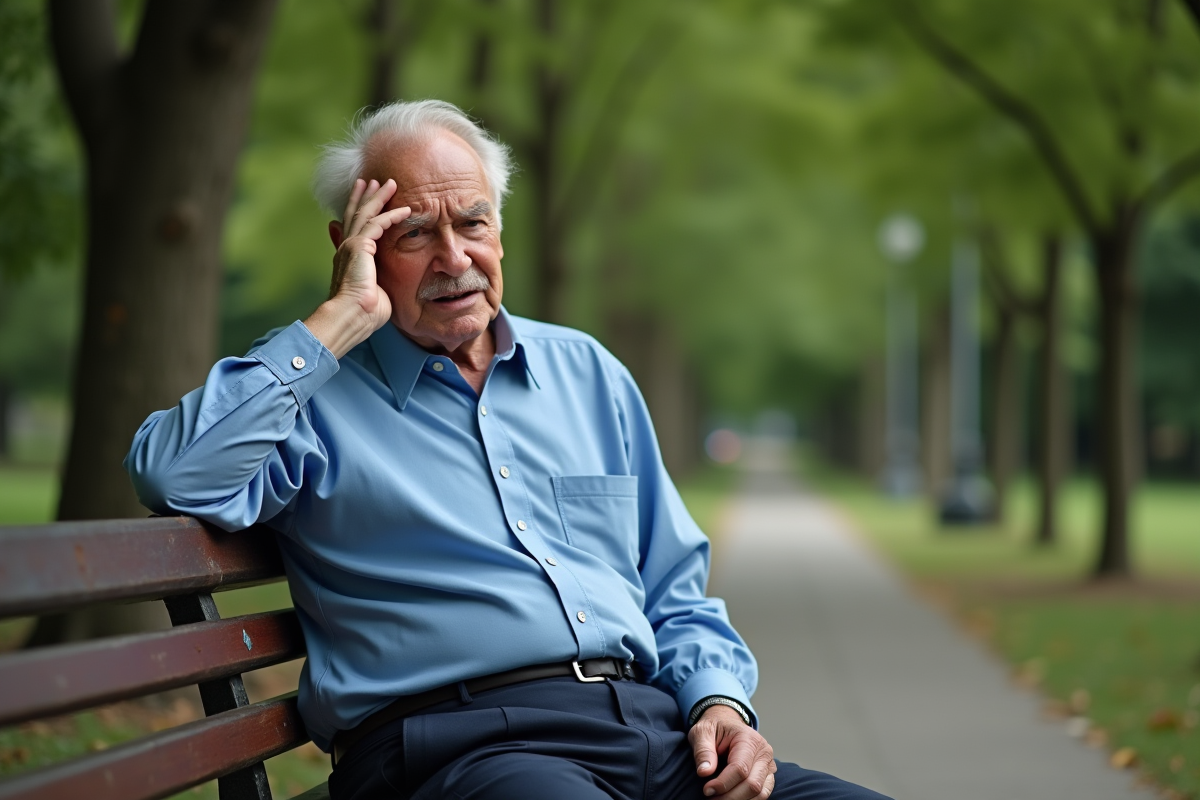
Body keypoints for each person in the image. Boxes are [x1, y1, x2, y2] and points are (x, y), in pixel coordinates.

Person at [126, 100, 890, 800]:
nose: (453, 258)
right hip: (456, 749)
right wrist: (340, 317)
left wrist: (720, 700)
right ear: (354, 245)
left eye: (473, 222)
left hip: (651, 738)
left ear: (502, 228)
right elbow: (171, 471)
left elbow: (674, 592)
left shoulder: (588, 373)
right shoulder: (309, 395)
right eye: (413, 232)